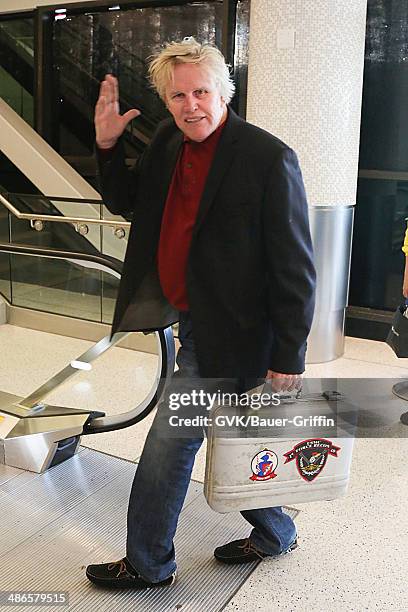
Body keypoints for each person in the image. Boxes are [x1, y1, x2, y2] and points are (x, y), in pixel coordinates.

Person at [86, 37, 316, 590]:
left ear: (224, 91)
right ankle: (276, 530)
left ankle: (147, 562)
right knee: (236, 435)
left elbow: (295, 266)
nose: (192, 105)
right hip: (192, 318)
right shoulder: (169, 139)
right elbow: (128, 201)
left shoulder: (267, 157)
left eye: (202, 92)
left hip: (238, 332)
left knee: (171, 439)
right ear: (166, 101)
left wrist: (290, 353)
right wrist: (107, 147)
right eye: (179, 95)